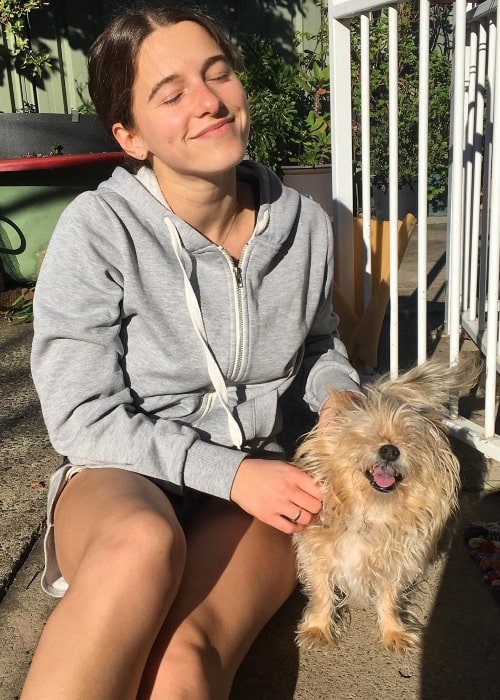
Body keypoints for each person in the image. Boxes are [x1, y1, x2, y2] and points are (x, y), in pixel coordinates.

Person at [22, 4, 360, 699]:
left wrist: (339, 391)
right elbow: (82, 417)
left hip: (259, 476)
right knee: (140, 548)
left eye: (219, 75)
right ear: (130, 134)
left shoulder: (303, 223)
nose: (208, 102)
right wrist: (228, 473)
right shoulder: (97, 231)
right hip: (124, 475)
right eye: (170, 94)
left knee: (182, 663)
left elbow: (320, 341)